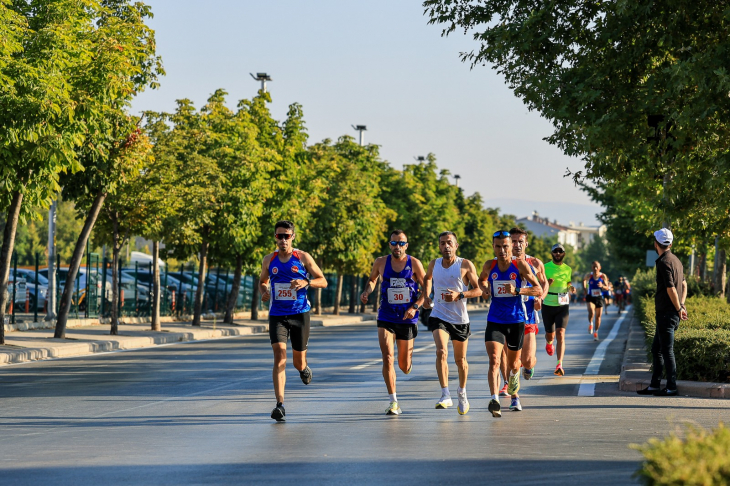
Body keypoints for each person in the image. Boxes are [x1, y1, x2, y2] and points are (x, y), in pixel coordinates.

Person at [259, 220, 328, 422]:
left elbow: (322, 280)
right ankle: (280, 405)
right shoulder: (269, 260)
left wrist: (306, 281)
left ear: (293, 237)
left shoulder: (303, 257)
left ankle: (304, 369)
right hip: (277, 315)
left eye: (286, 236)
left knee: (298, 362)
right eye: (279, 236)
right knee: (279, 357)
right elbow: (263, 281)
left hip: (300, 314)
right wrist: (264, 291)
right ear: (275, 238)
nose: (282, 240)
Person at [361, 229, 426, 415]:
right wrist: (367, 292)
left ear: (407, 245)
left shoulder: (414, 263)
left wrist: (415, 306)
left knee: (403, 366)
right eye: (394, 243)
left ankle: (407, 363)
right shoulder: (381, 262)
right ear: (389, 244)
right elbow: (372, 280)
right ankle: (393, 402)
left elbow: (426, 288)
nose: (397, 246)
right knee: (388, 357)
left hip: (407, 318)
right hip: (386, 316)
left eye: (401, 243)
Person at [478, 231, 542, 418]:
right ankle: (494, 399)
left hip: (516, 320)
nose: (502, 250)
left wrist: (518, 290)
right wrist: (485, 289)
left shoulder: (520, 265)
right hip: (495, 320)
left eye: (505, 246)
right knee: (495, 360)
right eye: (498, 246)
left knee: (515, 364)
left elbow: (537, 288)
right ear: (493, 247)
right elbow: (481, 279)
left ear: (511, 247)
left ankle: (515, 396)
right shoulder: (490, 265)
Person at [422, 231, 482, 414]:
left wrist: (460, 294)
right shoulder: (434, 264)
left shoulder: (465, 265)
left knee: (460, 360)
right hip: (439, 314)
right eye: (442, 243)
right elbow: (427, 278)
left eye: (449, 243)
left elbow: (479, 290)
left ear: (456, 246)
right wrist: (426, 296)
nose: (445, 246)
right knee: (441, 351)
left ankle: (462, 392)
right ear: (439, 246)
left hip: (460, 319)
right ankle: (445, 393)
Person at [638, 228, 688, 397]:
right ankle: (654, 385)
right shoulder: (676, 260)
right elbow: (684, 285)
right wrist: (681, 304)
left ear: (655, 244)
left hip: (667, 313)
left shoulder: (663, 262)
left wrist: (678, 308)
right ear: (670, 244)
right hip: (670, 312)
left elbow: (671, 288)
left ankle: (671, 387)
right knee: (657, 349)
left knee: (666, 350)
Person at [542, 243, 576, 376]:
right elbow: (539, 284)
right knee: (550, 334)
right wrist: (547, 284)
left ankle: (559, 364)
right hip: (548, 303)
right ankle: (549, 342)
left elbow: (568, 282)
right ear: (551, 253)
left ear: (564, 254)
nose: (557, 253)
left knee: (561, 333)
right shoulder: (545, 267)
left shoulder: (568, 269)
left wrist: (571, 287)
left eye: (560, 251)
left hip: (563, 303)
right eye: (555, 251)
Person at [583, 261, 609, 341]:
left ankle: (596, 331)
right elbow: (584, 280)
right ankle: (590, 323)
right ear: (592, 267)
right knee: (591, 311)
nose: (595, 268)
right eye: (594, 267)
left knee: (598, 317)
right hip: (590, 296)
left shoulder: (603, 276)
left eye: (597, 267)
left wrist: (602, 286)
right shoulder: (589, 275)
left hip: (599, 297)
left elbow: (607, 287)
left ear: (600, 267)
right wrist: (584, 287)